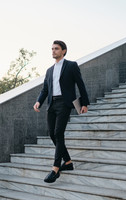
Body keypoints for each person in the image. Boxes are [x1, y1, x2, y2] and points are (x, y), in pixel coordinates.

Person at [33, 40, 89, 183]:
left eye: (56, 49)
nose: (53, 51)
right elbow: (45, 89)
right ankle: (68, 162)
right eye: (52, 49)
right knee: (52, 134)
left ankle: (56, 168)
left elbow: (80, 84)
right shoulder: (49, 70)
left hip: (65, 103)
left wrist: (84, 103)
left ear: (63, 51)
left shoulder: (71, 65)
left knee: (58, 133)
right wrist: (39, 101)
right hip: (52, 104)